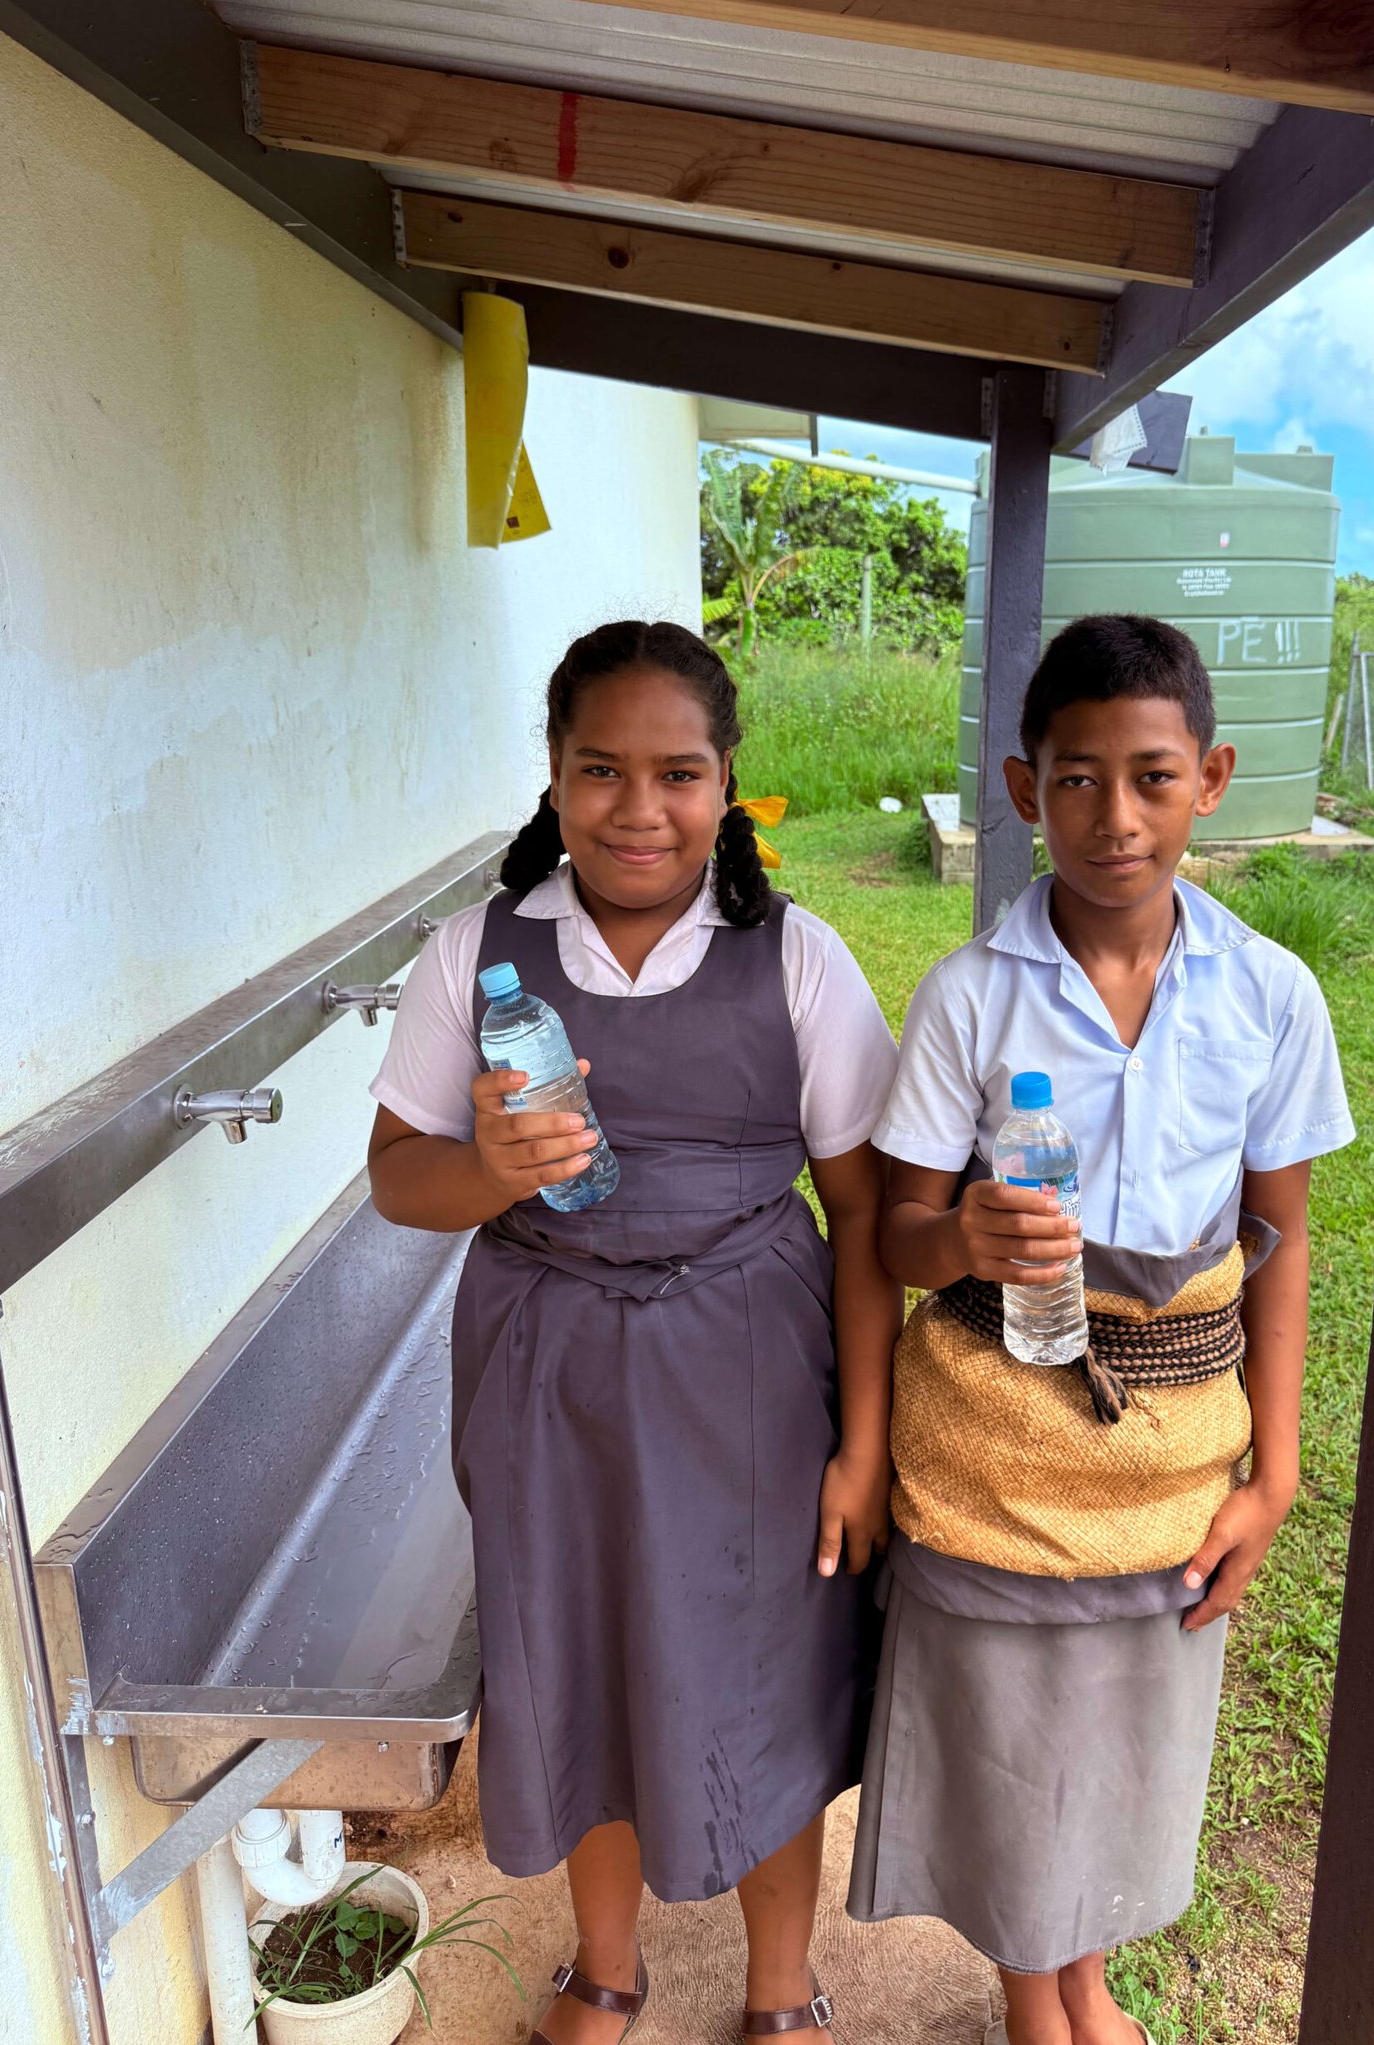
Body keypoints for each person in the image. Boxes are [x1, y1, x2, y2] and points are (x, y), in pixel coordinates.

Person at [367, 621, 901, 2045]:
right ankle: (605, 1965)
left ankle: (781, 1983)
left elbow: (865, 1211)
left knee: (767, 1669)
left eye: (678, 773)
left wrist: (864, 1446)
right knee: (576, 1657)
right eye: (600, 769)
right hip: (548, 1377)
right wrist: (492, 1168)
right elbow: (398, 1176)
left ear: (728, 783)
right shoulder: (476, 954)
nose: (638, 809)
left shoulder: (795, 958)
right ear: (554, 774)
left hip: (751, 1376)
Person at [847, 614, 1355, 2045]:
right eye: (1077, 779)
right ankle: (1036, 2002)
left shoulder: (1270, 995)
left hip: (1170, 1455)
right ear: (1026, 789)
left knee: (1124, 1730)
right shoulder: (970, 995)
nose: (1114, 817)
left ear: (1211, 779)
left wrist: (1275, 1473)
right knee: (1015, 1732)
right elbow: (893, 1235)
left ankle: (1084, 1979)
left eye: (1151, 777)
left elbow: (1279, 1244)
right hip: (1000, 1449)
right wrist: (964, 1238)